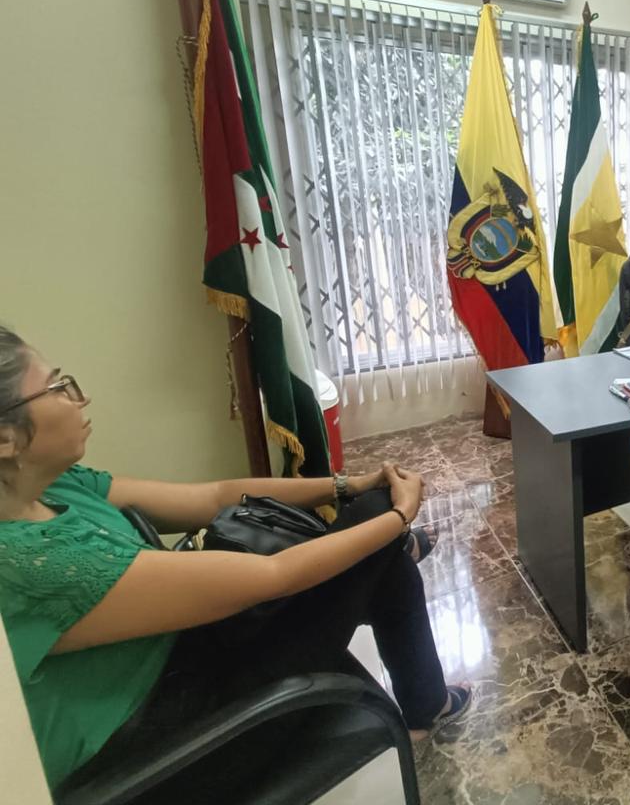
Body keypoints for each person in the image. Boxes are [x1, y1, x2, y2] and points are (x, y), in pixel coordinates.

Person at [0, 325, 470, 790]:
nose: (78, 398)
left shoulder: (57, 486)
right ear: (5, 438)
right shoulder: (25, 562)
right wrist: (398, 516)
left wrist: (346, 485)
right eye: (56, 388)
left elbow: (216, 496)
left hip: (184, 659)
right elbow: (274, 574)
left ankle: (426, 699)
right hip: (171, 744)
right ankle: (427, 698)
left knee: (376, 539)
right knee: (375, 528)